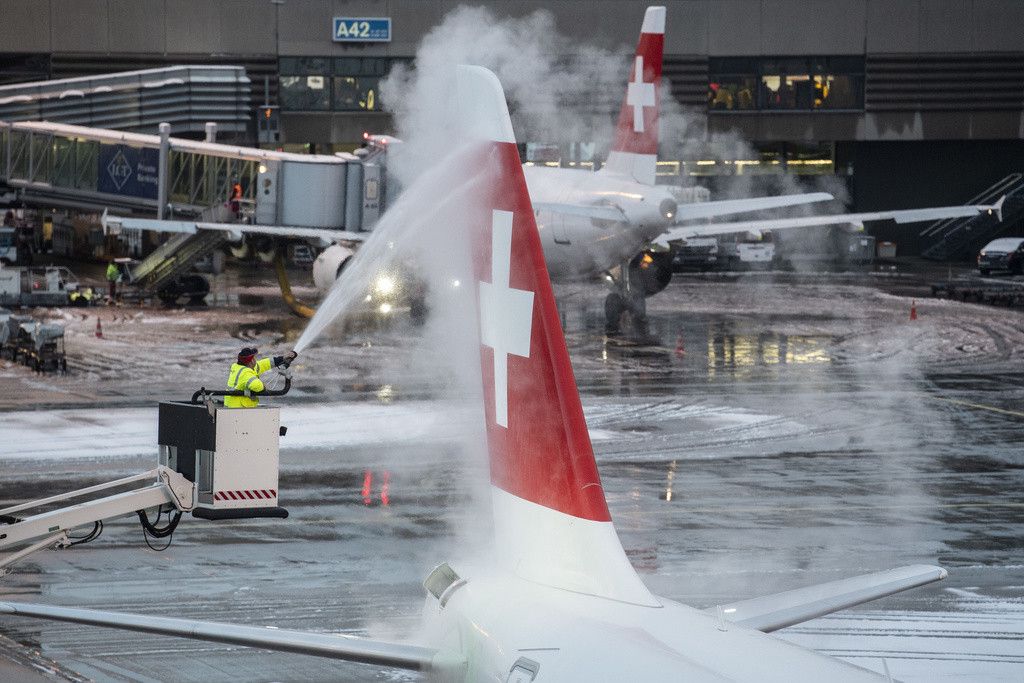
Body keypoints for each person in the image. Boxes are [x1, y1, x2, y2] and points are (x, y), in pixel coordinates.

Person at [225, 346, 297, 408]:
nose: (255, 360)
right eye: (254, 358)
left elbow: (264, 364)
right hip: (238, 409)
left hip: (234, 406)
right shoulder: (245, 373)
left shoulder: (239, 367)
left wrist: (283, 358)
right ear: (251, 361)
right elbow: (257, 386)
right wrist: (263, 386)